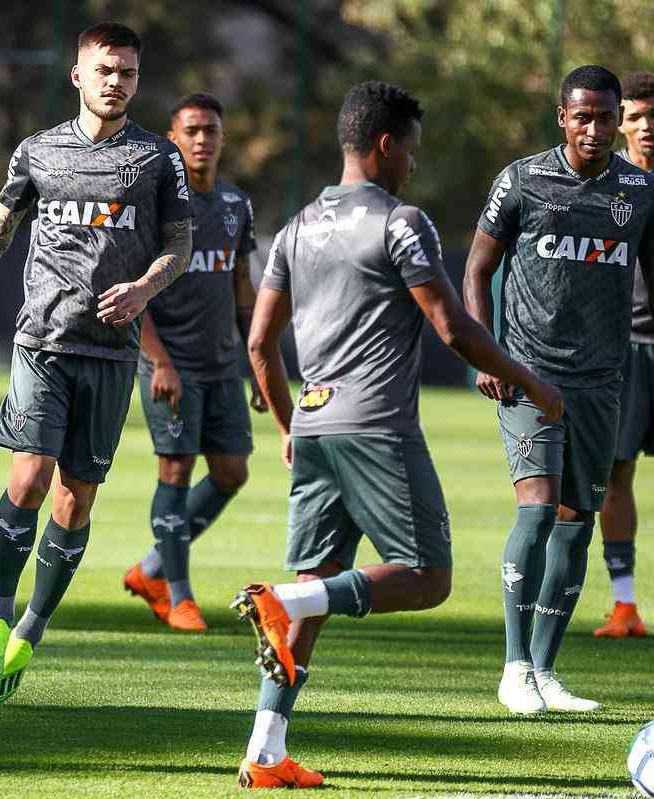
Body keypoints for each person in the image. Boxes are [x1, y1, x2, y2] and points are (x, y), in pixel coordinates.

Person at [239, 80, 561, 788]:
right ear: (386, 145)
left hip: (318, 429)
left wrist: (292, 426)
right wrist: (532, 382)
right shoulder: (401, 222)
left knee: (319, 585)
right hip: (378, 426)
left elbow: (260, 343)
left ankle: (264, 754)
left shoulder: (294, 228)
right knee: (427, 577)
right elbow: (452, 327)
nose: (414, 165)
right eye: (411, 151)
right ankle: (281, 602)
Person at [0, 21, 192, 706]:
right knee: (30, 476)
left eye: (128, 73)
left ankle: (29, 631)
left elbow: (179, 247)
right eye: (105, 69)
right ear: (77, 74)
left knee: (77, 497)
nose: (116, 82)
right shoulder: (38, 152)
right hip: (42, 341)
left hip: (110, 355)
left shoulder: (159, 160)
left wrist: (142, 289)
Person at [466, 65, 654, 714]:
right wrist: (486, 352)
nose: (596, 129)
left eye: (606, 117)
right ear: (562, 117)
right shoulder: (522, 180)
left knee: (579, 523)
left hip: (603, 381)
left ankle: (546, 670)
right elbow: (477, 268)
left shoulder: (639, 190)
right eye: (584, 116)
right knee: (538, 508)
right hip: (528, 372)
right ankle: (514, 665)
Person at [123, 91, 262, 632]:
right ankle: (179, 596)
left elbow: (241, 285)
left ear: (222, 138)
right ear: (173, 138)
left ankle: (153, 569)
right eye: (192, 131)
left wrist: (256, 357)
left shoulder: (235, 205)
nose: (203, 140)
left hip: (222, 363)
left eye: (211, 130)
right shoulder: (156, 206)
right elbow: (134, 294)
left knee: (232, 471)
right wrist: (158, 361)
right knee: (176, 469)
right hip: (170, 363)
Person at [596, 71, 654, 639]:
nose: (646, 126)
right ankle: (624, 604)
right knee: (617, 474)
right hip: (626, 350)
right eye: (634, 116)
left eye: (652, 115)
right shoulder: (607, 184)